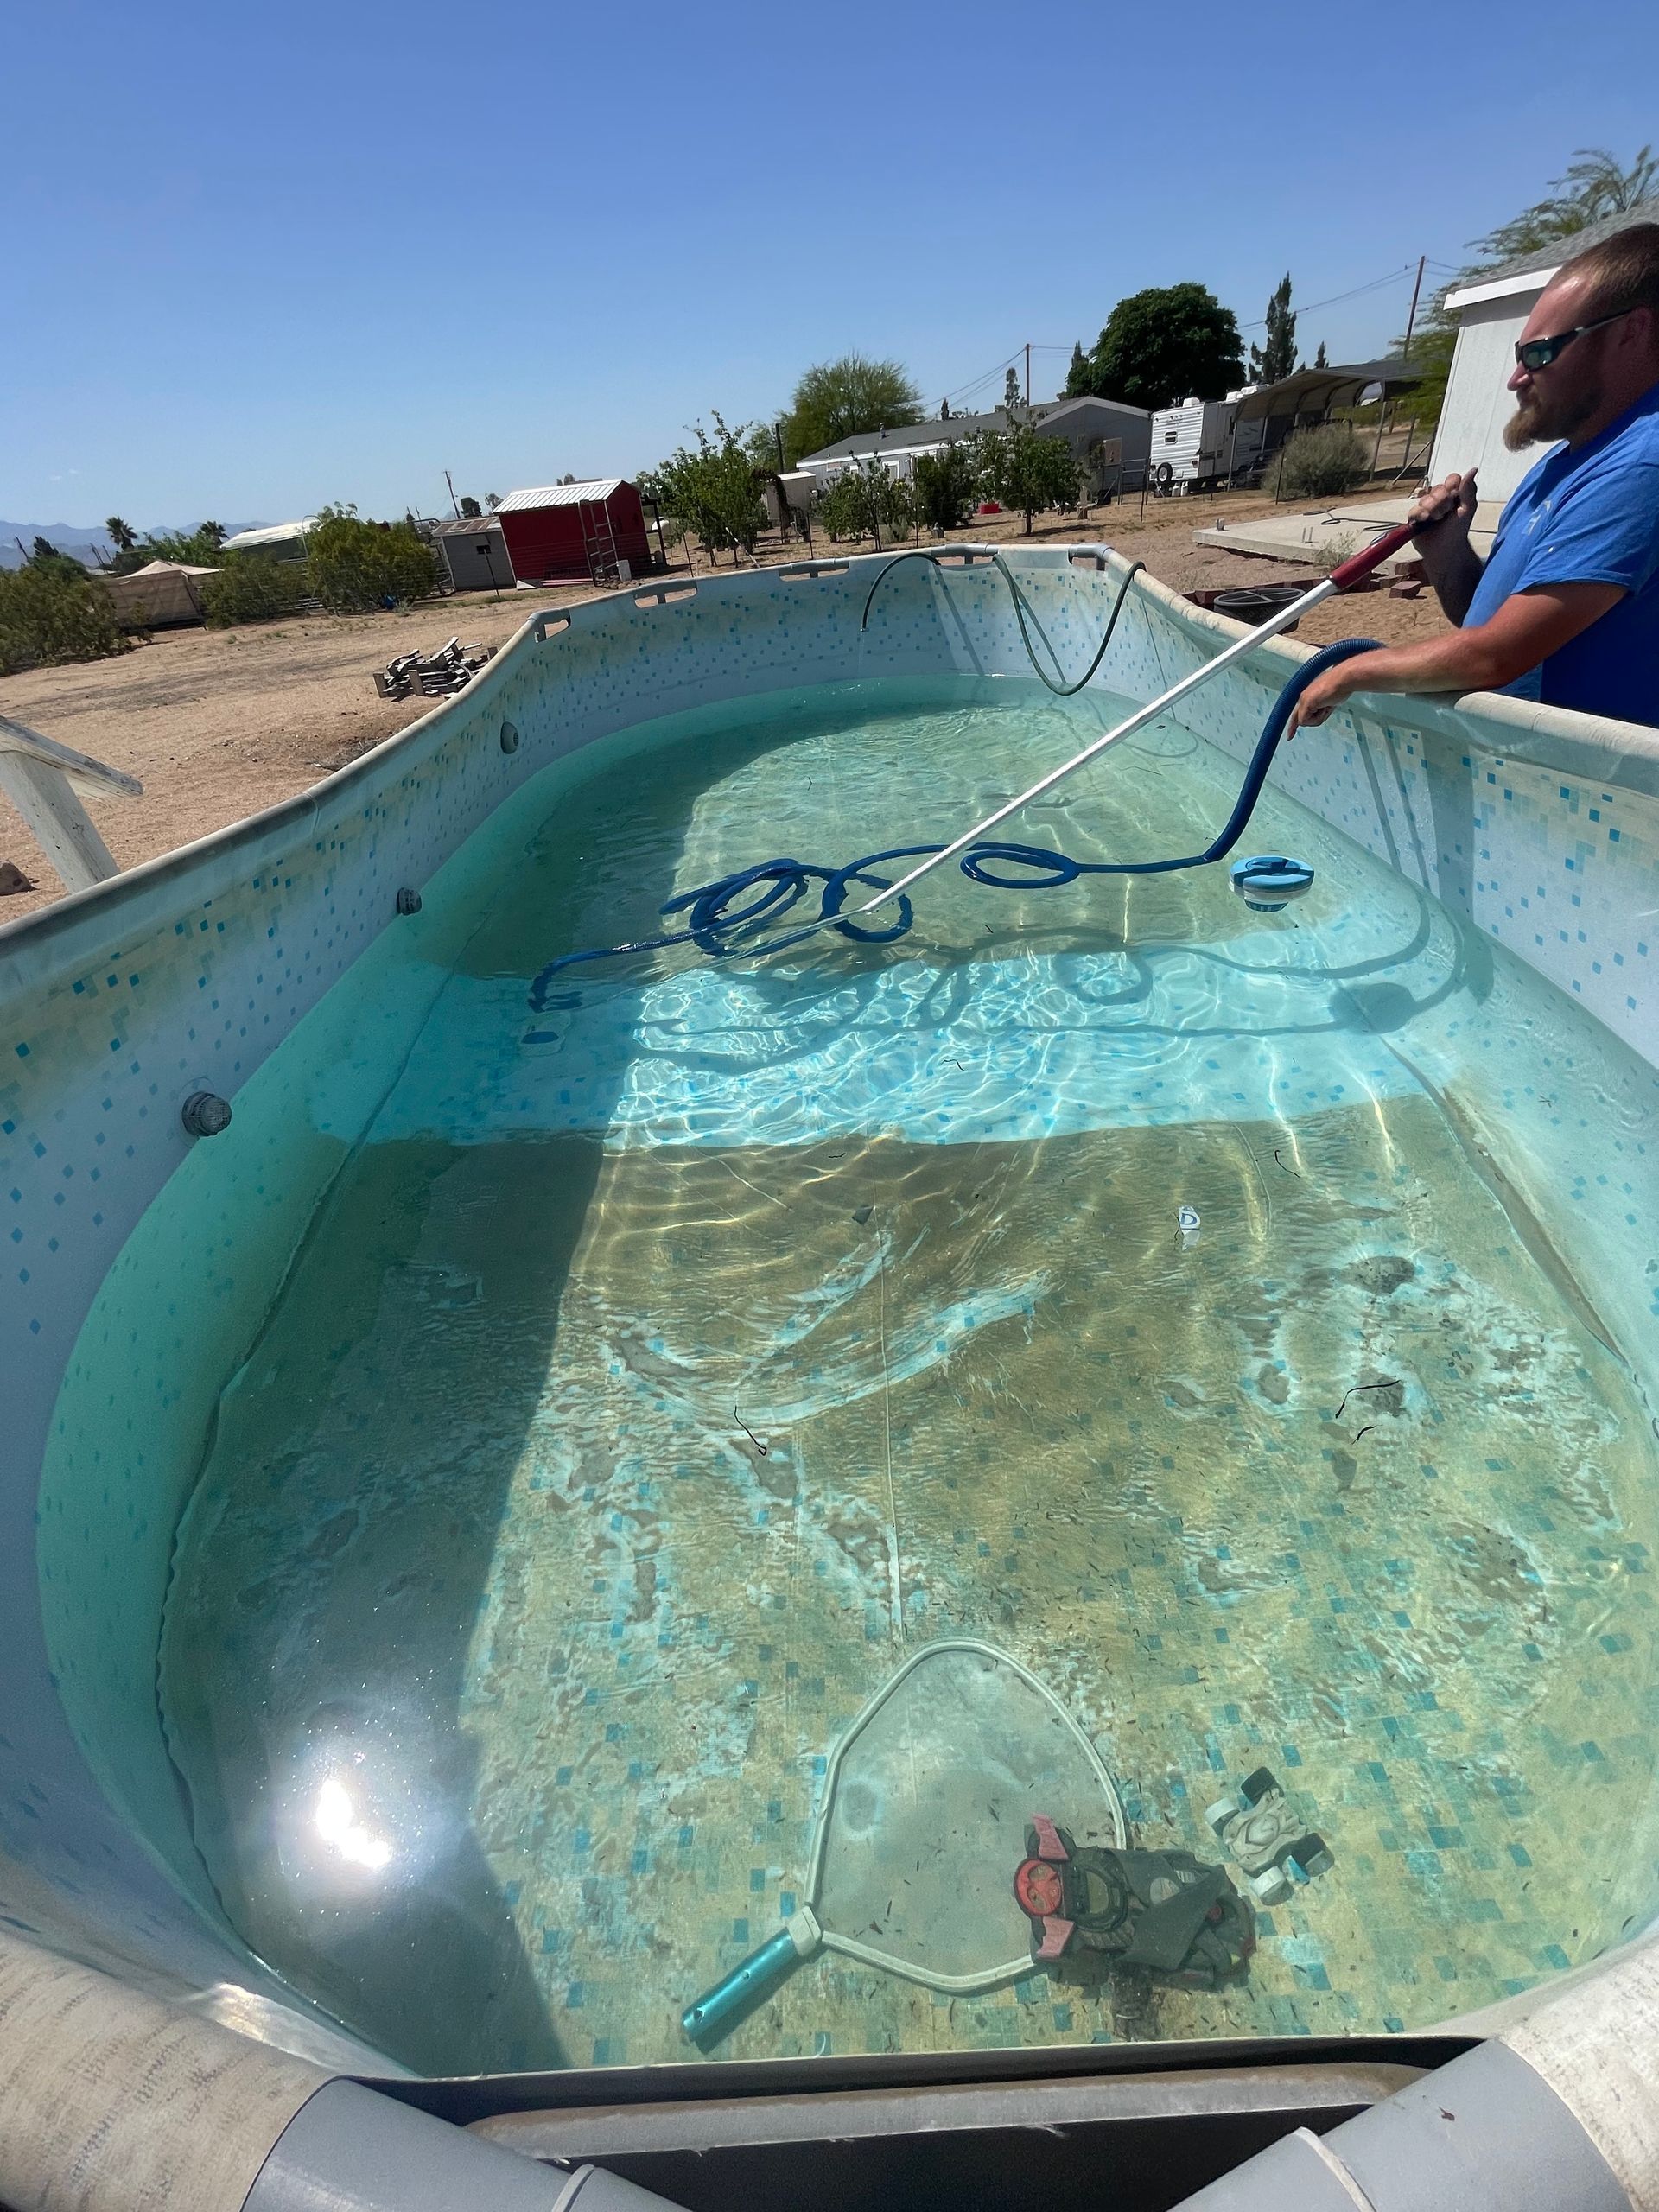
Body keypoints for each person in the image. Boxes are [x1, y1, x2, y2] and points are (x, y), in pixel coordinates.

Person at [1290, 221, 1659, 733]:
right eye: (1518, 355)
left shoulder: (1639, 468)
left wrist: (1350, 672)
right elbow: (1483, 623)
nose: (1515, 379)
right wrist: (1446, 553)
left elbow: (1495, 656)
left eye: (1540, 354)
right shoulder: (1563, 464)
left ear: (1631, 332)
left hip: (1577, 777)